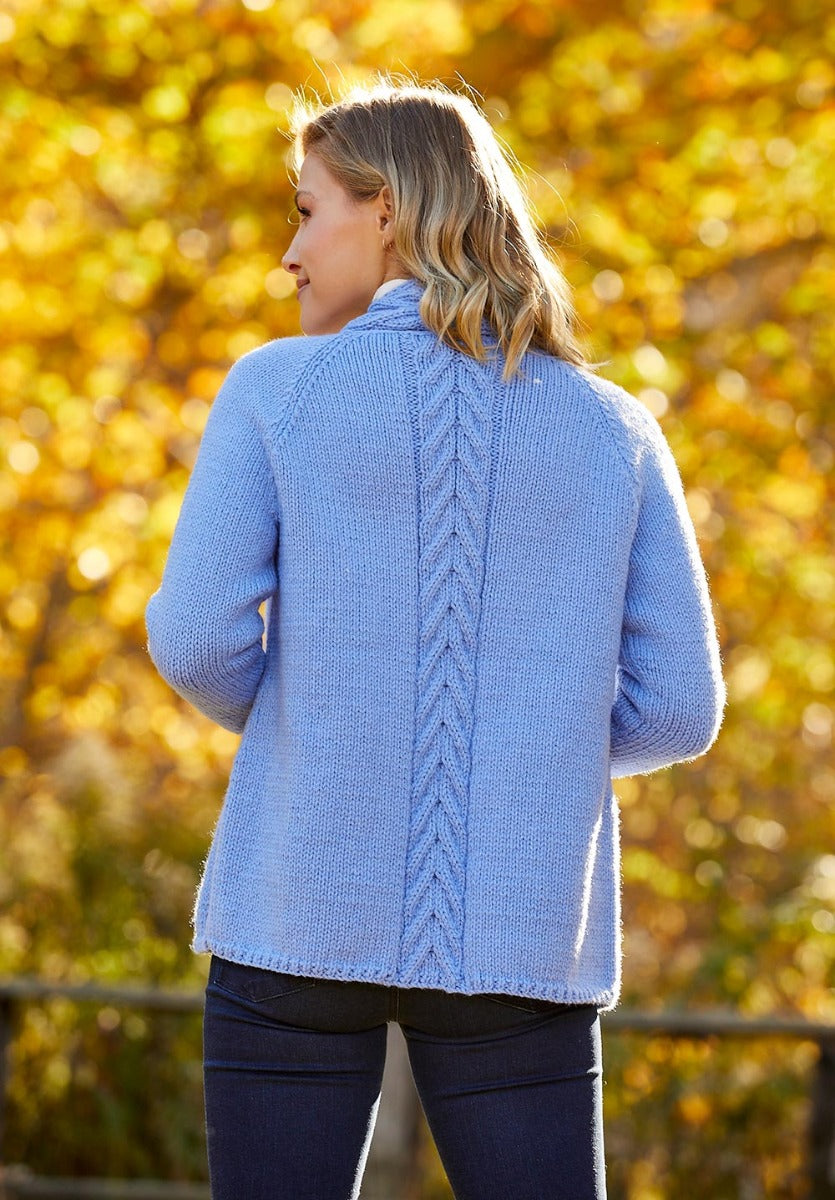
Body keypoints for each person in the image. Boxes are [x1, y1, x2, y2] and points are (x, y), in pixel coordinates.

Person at [144, 74, 726, 1200]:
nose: (288, 253)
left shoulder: (276, 391)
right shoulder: (614, 429)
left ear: (388, 211)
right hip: (520, 938)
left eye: (305, 210)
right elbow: (676, 709)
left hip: (297, 907)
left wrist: (314, 730)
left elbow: (198, 642)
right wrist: (521, 748)